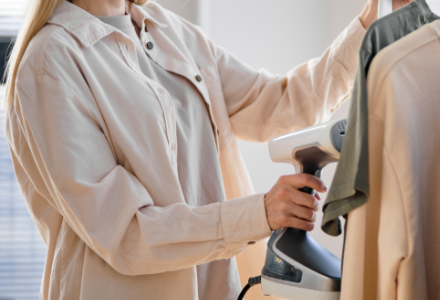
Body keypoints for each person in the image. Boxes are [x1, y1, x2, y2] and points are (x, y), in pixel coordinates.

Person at [2, 0, 408, 298]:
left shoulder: (166, 29)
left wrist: (370, 21)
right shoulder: (50, 62)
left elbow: (278, 104)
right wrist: (259, 213)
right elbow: (127, 232)